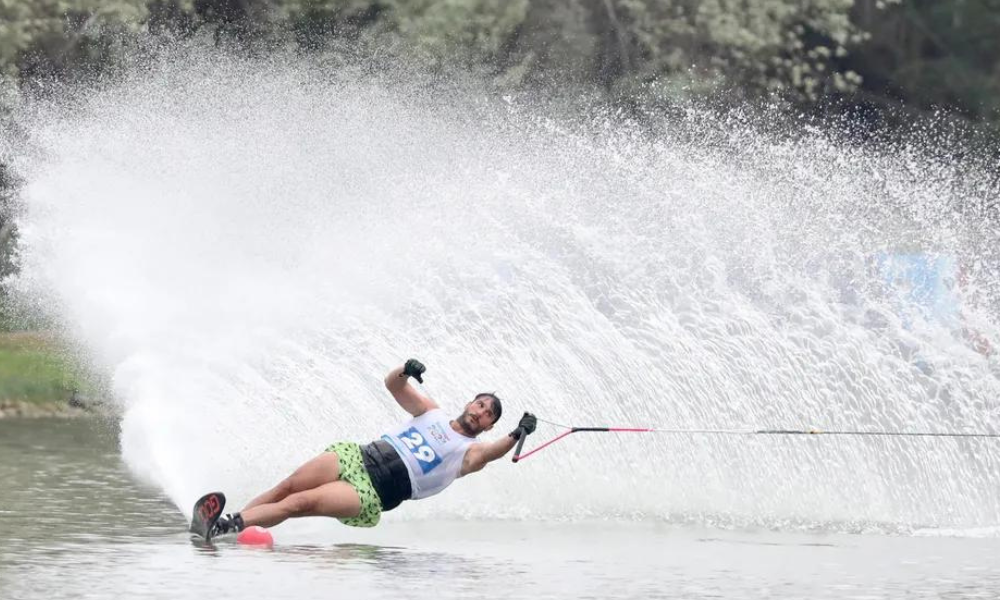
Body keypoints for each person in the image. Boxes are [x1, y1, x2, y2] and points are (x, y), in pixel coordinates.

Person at [207, 358, 537, 536]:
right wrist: (405, 370)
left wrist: (517, 434)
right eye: (480, 404)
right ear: (470, 403)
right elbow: (393, 385)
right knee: (288, 485)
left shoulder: (468, 453)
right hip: (359, 456)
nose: (480, 411)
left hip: (374, 492)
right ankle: (234, 524)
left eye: (488, 414)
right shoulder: (431, 412)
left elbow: (492, 453)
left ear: (489, 426)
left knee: (299, 502)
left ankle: (227, 526)